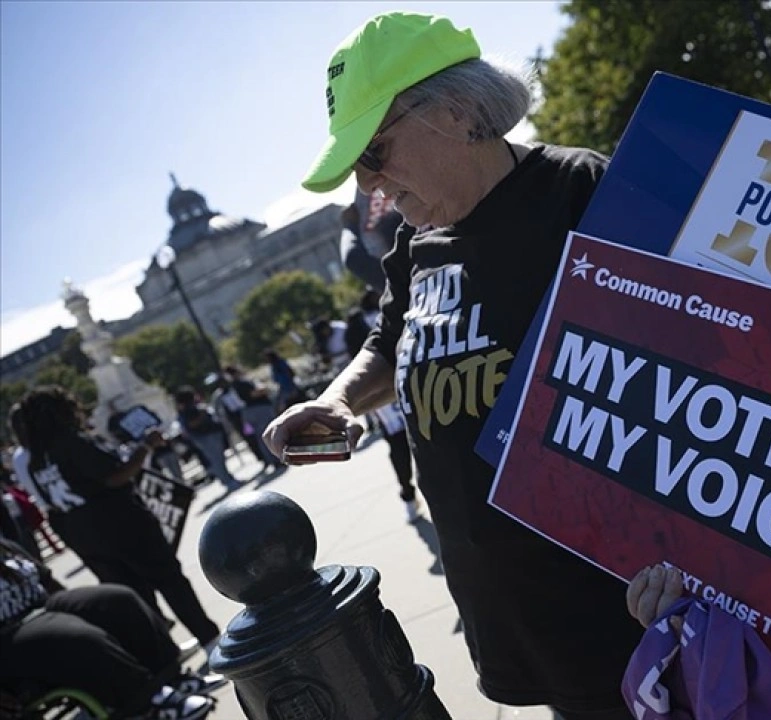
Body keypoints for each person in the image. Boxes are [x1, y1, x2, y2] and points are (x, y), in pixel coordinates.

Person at [264, 12, 643, 718]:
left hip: (618, 607)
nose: (373, 187)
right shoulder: (415, 244)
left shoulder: (578, 191)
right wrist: (342, 401)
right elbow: (389, 339)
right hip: (518, 614)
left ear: (457, 111)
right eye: (358, 172)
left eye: (375, 153)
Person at [8, 387, 223, 658]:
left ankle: (167, 658)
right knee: (169, 580)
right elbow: (115, 476)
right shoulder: (69, 442)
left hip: (83, 532)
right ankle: (210, 640)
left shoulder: (35, 461)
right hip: (119, 523)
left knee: (135, 596)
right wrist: (145, 447)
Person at [0, 538, 222, 719]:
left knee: (117, 599)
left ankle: (170, 677)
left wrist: (77, 608)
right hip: (7, 638)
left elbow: (46, 581)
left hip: (38, 606)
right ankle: (147, 705)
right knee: (74, 636)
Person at [173, 387, 241, 490]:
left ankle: (229, 478)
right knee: (216, 460)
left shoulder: (191, 408)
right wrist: (202, 414)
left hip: (210, 434)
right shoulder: (187, 410)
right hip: (205, 437)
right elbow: (192, 424)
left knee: (220, 459)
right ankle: (227, 481)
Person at [223, 366, 284, 472]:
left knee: (263, 435)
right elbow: (252, 394)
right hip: (257, 409)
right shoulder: (240, 384)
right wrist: (264, 389)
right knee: (268, 433)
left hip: (251, 411)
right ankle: (275, 458)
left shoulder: (235, 385)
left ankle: (273, 458)